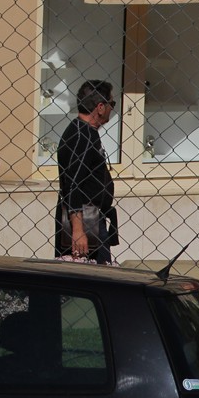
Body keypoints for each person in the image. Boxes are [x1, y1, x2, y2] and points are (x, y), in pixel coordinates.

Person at [56, 79, 118, 264]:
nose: (112, 109)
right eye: (111, 104)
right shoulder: (82, 136)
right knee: (97, 277)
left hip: (92, 217)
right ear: (100, 107)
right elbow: (73, 183)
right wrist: (78, 231)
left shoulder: (84, 131)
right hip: (86, 220)